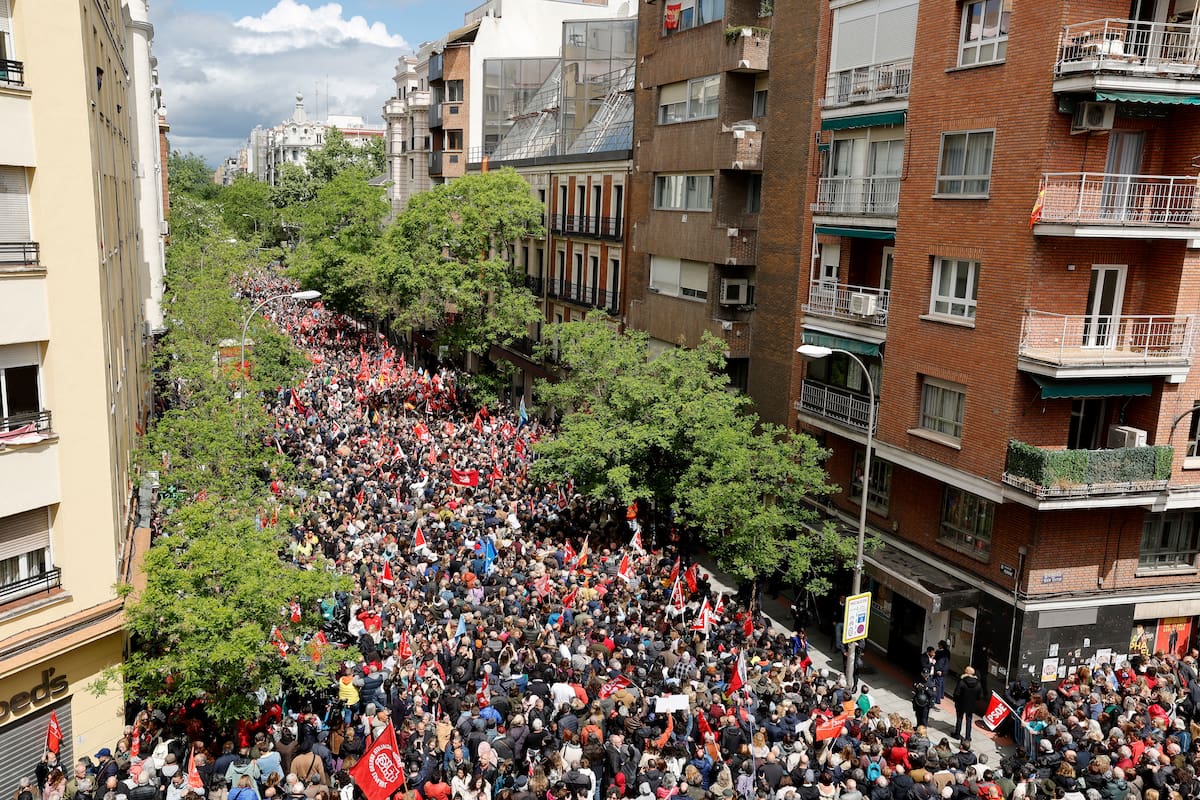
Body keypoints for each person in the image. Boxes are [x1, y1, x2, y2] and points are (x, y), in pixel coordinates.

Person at [953, 667, 983, 743]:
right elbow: (979, 697)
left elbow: (956, 693)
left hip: (961, 704)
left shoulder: (962, 682)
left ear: (966, 673)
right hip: (971, 705)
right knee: (969, 720)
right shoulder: (978, 684)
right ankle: (968, 737)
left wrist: (956, 700)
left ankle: (957, 734)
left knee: (959, 719)